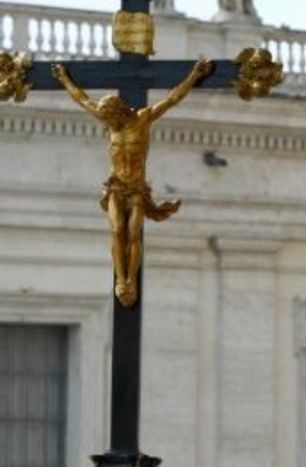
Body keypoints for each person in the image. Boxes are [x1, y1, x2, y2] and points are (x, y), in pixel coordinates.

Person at [51, 59, 214, 307]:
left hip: (136, 188)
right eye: (106, 120)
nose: (108, 124)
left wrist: (194, 75)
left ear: (118, 111)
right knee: (117, 231)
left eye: (111, 119)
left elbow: (172, 100)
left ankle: (131, 280)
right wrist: (64, 79)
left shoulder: (142, 120)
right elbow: (81, 99)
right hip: (115, 187)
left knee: (134, 232)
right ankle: (121, 280)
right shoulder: (109, 121)